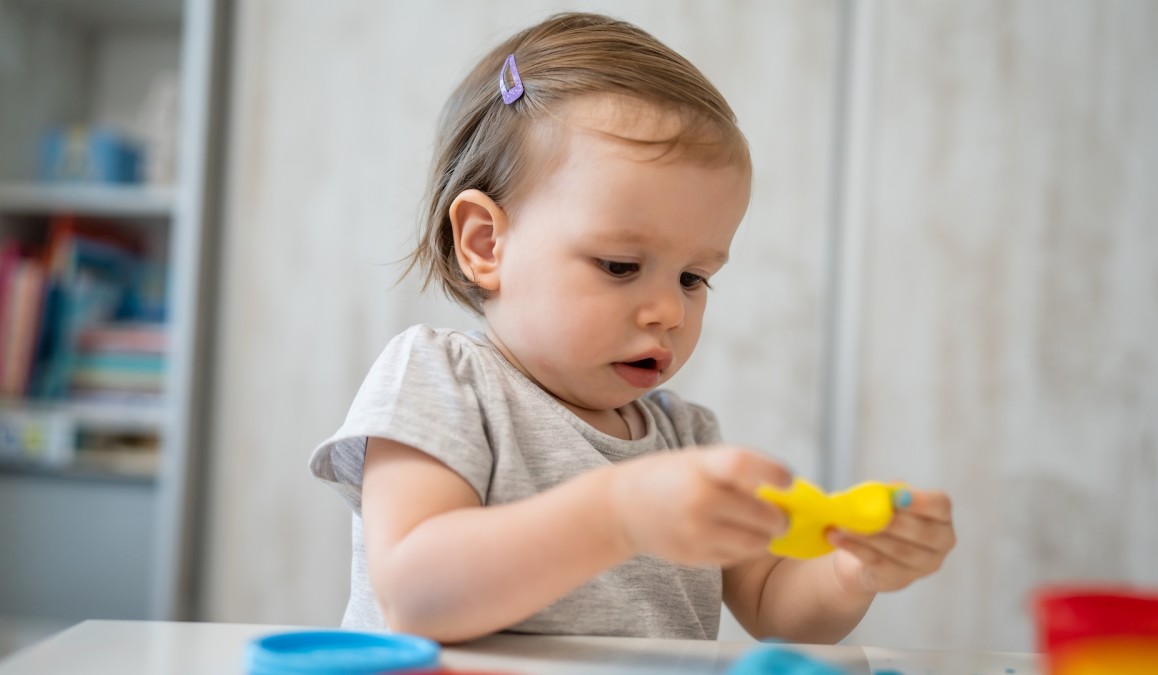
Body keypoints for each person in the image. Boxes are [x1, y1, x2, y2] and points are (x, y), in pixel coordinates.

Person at [310, 11, 955, 644]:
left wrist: (852, 569)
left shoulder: (684, 441)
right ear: (486, 244)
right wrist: (617, 514)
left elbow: (773, 607)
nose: (669, 312)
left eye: (693, 278)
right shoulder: (443, 383)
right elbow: (416, 596)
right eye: (620, 265)